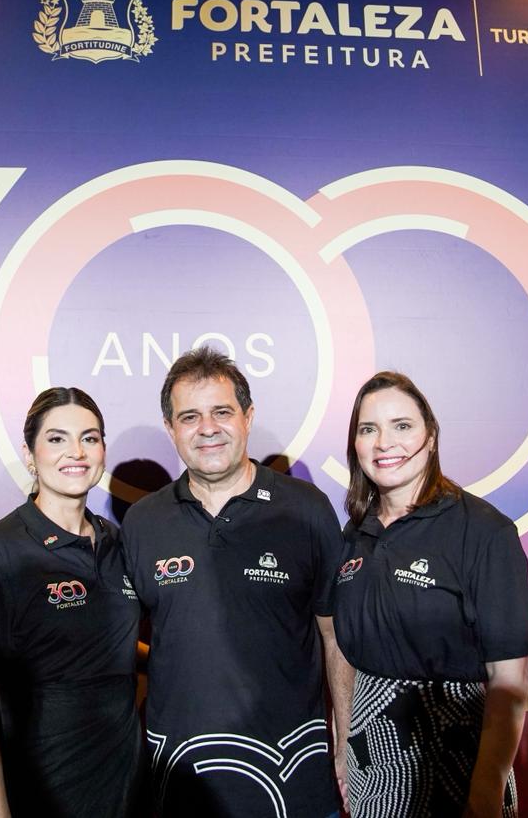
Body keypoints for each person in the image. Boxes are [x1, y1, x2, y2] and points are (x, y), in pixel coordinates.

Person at [120, 346, 353, 817]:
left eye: (221, 412)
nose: (207, 428)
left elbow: (335, 637)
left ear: (247, 417)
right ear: (171, 429)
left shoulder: (305, 509)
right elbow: (121, 644)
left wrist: (345, 743)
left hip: (295, 775)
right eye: (190, 416)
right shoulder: (143, 521)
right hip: (179, 781)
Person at [332, 372, 528, 818]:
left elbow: (509, 681)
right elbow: (346, 654)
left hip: (458, 759)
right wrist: (344, 744)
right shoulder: (354, 535)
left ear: (431, 436)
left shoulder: (483, 531)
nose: (385, 442)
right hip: (372, 762)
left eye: (402, 425)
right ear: (355, 445)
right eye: (369, 429)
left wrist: (484, 793)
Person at [0, 387, 142, 818]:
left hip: (124, 790)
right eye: (56, 439)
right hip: (38, 794)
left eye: (89, 438)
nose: (76, 451)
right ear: (30, 454)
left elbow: (104, 643)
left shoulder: (119, 543)